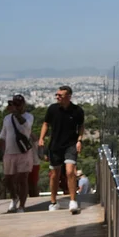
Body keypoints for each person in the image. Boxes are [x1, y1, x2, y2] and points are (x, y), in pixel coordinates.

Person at [39, 85, 85, 213]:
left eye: (60, 95)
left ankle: (73, 200)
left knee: (70, 171)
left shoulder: (77, 111)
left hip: (70, 144)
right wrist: (41, 138)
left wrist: (79, 140)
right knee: (54, 174)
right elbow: (46, 123)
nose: (57, 97)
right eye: (57, 95)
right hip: (55, 145)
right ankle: (53, 202)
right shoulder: (52, 109)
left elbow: (81, 126)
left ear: (68, 97)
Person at [0, 95, 34, 213]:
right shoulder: (7, 118)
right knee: (8, 180)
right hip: (9, 153)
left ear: (23, 105)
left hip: (23, 152)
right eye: (14, 104)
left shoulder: (28, 117)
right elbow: (2, 136)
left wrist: (15, 113)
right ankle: (14, 197)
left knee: (23, 179)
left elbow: (25, 126)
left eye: (18, 104)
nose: (16, 107)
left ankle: (22, 205)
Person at [28, 132, 41, 197]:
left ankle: (35, 196)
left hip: (34, 163)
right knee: (28, 183)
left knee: (34, 182)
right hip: (25, 163)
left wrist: (28, 130)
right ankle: (32, 196)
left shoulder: (32, 138)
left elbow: (36, 139)